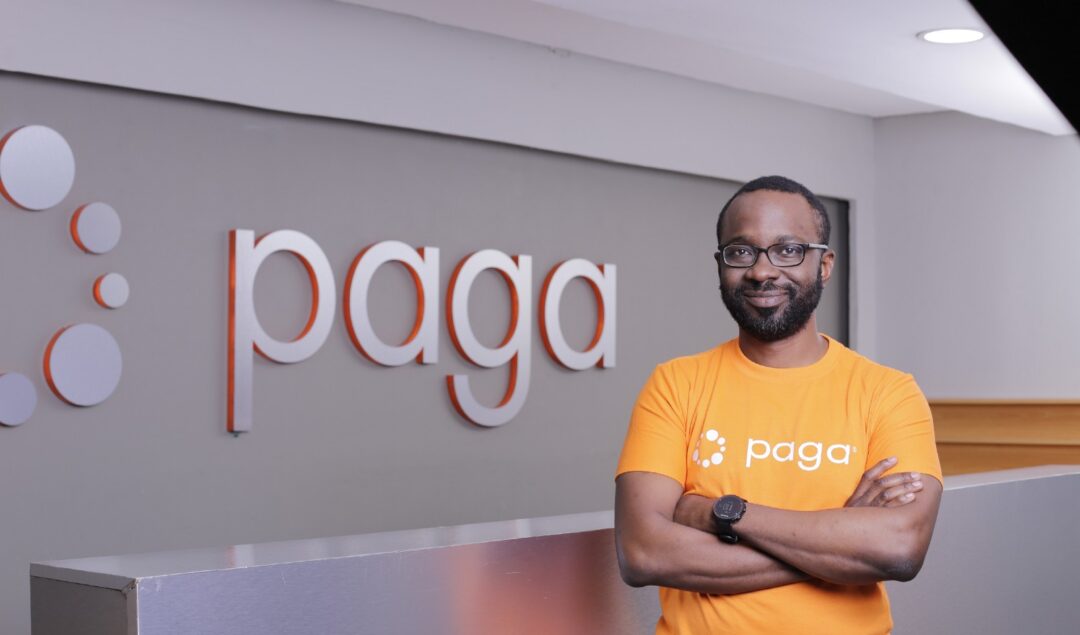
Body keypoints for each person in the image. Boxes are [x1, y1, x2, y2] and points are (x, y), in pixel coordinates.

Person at [614, 175, 942, 634]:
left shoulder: (889, 392)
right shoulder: (674, 385)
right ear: (720, 264)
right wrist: (840, 544)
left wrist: (718, 513)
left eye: (788, 250)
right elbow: (644, 553)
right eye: (741, 251)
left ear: (824, 265)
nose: (762, 271)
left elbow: (899, 548)